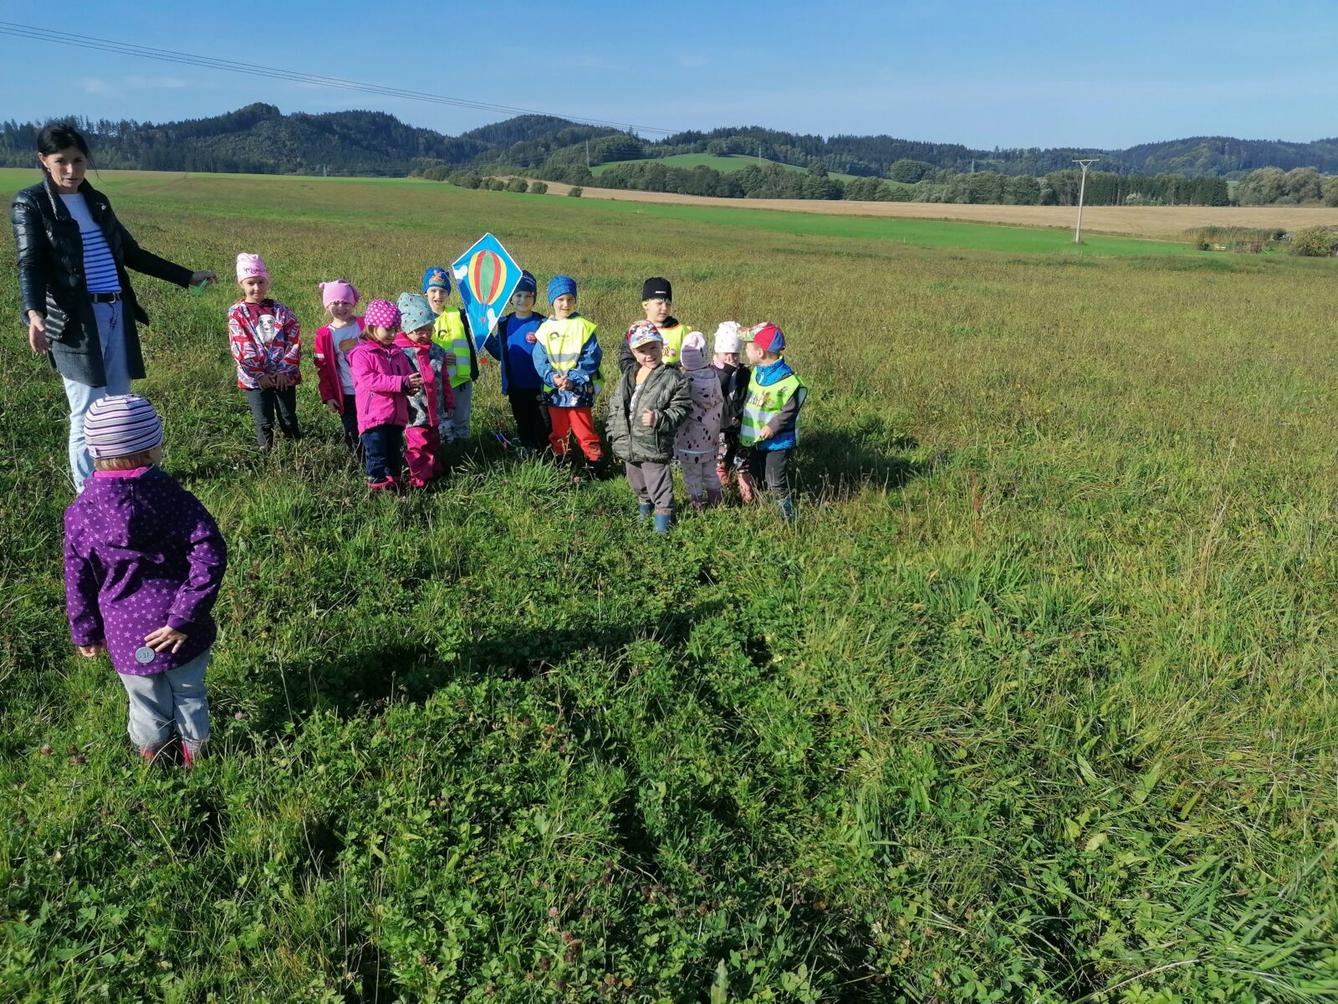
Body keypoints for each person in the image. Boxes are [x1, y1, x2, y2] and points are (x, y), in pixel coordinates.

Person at [11, 122, 216, 491]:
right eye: (62, 162)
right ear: (43, 160)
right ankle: (90, 494)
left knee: (118, 403)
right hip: (75, 319)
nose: (72, 170)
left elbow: (131, 253)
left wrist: (186, 277)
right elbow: (30, 263)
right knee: (88, 410)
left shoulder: (97, 201)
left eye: (79, 160)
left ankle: (119, 481)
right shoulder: (31, 203)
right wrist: (34, 313)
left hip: (117, 312)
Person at [63, 394, 227, 766]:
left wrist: (86, 631)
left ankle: (153, 756)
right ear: (152, 447)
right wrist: (184, 616)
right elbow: (210, 554)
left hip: (124, 631)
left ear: (94, 452)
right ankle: (196, 758)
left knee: (146, 701)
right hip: (183, 628)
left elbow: (78, 578)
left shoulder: (80, 513)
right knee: (189, 694)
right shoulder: (176, 500)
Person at [607, 322, 691, 533]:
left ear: (662, 346)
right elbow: (616, 405)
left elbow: (682, 408)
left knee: (659, 485)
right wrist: (613, 432)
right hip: (628, 443)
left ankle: (662, 525)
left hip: (653, 443)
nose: (649, 354)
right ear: (634, 353)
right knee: (637, 482)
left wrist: (660, 419)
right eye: (642, 350)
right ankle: (644, 513)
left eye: (653, 347)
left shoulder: (673, 378)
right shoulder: (629, 375)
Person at [532, 275, 606, 476]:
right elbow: (539, 358)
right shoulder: (545, 328)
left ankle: (595, 464)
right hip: (555, 392)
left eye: (570, 299)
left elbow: (592, 356)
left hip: (578, 390)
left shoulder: (583, 325)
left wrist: (574, 378)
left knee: (584, 430)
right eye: (560, 299)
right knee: (559, 431)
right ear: (552, 301)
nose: (565, 304)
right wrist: (552, 377)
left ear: (575, 300)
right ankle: (563, 464)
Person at [228, 253, 301, 451]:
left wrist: (286, 369)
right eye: (251, 282)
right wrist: (258, 374)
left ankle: (295, 449)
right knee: (263, 419)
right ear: (241, 283)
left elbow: (294, 339)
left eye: (261, 282)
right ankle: (266, 452)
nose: (257, 288)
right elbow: (240, 346)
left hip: (283, 375)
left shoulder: (281, 310)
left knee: (288, 416)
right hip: (255, 379)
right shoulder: (237, 313)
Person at [349, 299, 422, 490]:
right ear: (372, 326)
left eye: (395, 329)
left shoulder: (397, 353)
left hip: (396, 416)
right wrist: (401, 383)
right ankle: (377, 489)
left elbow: (404, 376)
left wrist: (410, 386)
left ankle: (395, 485)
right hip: (373, 417)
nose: (392, 334)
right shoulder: (361, 353)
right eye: (387, 328)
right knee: (377, 455)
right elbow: (369, 380)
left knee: (394, 453)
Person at [740, 322, 808, 524]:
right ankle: (762, 508)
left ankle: (787, 517)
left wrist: (773, 427)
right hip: (756, 439)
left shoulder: (786, 380)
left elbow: (789, 410)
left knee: (775, 480)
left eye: (748, 347)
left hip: (778, 442)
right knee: (757, 473)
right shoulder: (757, 372)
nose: (745, 350)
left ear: (759, 352)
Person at [482, 270, 549, 452]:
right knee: (522, 420)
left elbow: (552, 352)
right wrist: (483, 335)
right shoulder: (504, 323)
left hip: (540, 387)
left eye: (528, 295)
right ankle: (527, 450)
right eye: (518, 295)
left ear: (534, 298)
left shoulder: (543, 323)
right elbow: (499, 352)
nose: (523, 300)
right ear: (511, 298)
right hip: (515, 386)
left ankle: (544, 453)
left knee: (542, 423)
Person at [394, 292, 453, 488]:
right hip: (413, 411)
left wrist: (449, 401)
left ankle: (433, 468)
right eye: (420, 330)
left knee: (433, 440)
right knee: (417, 444)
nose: (426, 335)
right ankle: (420, 479)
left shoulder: (437, 351)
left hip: (434, 409)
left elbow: (444, 379)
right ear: (407, 328)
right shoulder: (399, 352)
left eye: (429, 329)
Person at [422, 266, 478, 444]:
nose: (438, 295)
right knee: (441, 420)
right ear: (425, 293)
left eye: (443, 291)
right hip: (435, 380)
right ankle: (445, 450)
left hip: (460, 379)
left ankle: (462, 449)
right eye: (433, 290)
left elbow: (473, 338)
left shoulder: (459, 315)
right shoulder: (419, 319)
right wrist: (440, 357)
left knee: (461, 418)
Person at [312, 279, 365, 452]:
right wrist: (328, 396)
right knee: (352, 431)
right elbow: (324, 368)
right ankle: (360, 462)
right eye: (335, 302)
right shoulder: (325, 335)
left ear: (353, 303)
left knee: (373, 429)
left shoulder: (364, 325)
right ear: (327, 305)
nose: (341, 307)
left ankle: (377, 461)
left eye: (345, 302)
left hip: (369, 389)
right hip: (347, 392)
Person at [675, 331, 725, 510]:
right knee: (710, 473)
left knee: (692, 475)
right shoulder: (714, 377)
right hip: (711, 437)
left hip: (689, 441)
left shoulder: (683, 381)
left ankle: (697, 505)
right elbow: (720, 400)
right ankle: (717, 503)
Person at [616, 276, 691, 376]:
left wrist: (670, 373)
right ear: (645, 304)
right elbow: (625, 362)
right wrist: (641, 373)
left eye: (668, 304)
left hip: (675, 386)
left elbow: (691, 360)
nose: (664, 308)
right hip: (644, 388)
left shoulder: (682, 330)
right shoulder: (635, 331)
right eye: (659, 303)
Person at [712, 321, 753, 502]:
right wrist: (727, 371)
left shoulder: (743, 372)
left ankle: (743, 477)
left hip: (738, 420)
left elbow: (746, 395)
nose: (731, 358)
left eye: (735, 354)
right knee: (721, 450)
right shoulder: (712, 372)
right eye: (726, 354)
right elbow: (715, 390)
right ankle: (721, 469)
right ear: (716, 353)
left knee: (742, 451)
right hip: (718, 422)